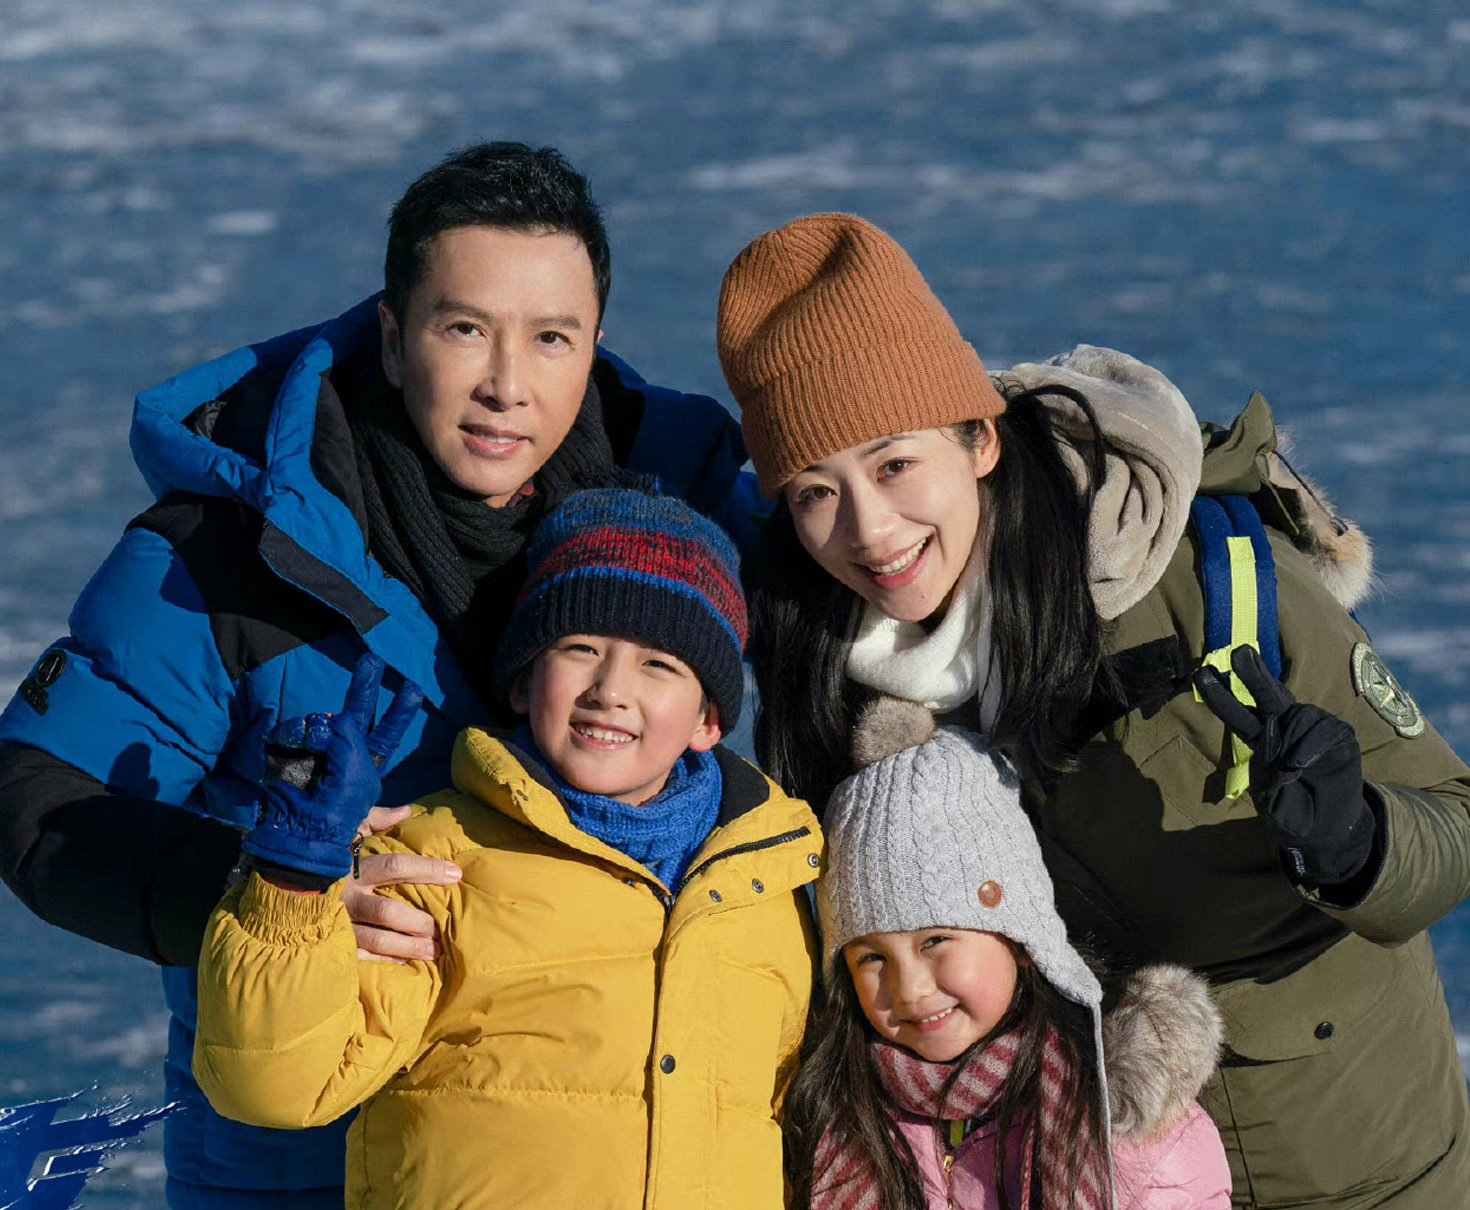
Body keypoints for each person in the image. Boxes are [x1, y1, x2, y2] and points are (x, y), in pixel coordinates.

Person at [0, 143, 758, 1207]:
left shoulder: (671, 513)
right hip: (306, 1163)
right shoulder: (226, 553)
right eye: (465, 329)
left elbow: (888, 537)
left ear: (593, 346)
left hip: (571, 1164)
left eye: (551, 338)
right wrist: (271, 890)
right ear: (397, 342)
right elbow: (38, 796)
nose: (507, 386)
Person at [717, 212, 1470, 1207]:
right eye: (816, 491)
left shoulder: (1202, 587)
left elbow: (1453, 822)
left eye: (895, 465)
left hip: (1346, 1163)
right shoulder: (819, 668)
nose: (869, 528)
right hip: (1053, 1175)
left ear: (977, 437)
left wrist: (1357, 842)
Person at [192, 487, 822, 1210]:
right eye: (582, 648)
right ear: (524, 682)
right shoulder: (435, 857)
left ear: (709, 720)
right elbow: (276, 1087)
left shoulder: (770, 883)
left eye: (660, 665)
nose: (610, 689)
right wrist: (292, 879)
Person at [790, 697, 1230, 1209]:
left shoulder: (1137, 1138)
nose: (908, 988)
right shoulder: (839, 1114)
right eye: (871, 958)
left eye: (935, 941)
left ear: (1023, 941)